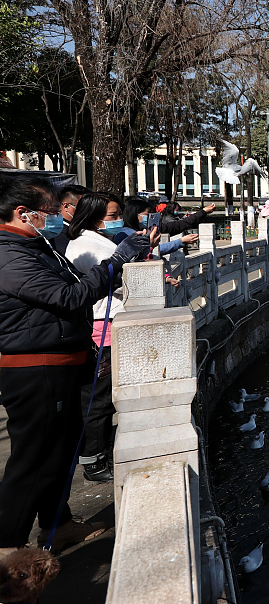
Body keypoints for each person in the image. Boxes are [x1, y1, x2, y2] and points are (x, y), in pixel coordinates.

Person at [0, 174, 149, 555]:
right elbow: (69, 297)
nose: (55, 219)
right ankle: (9, 554)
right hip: (36, 369)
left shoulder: (34, 245)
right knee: (33, 461)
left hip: (61, 360)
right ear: (22, 213)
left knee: (60, 453)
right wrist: (115, 262)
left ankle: (59, 524)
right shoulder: (9, 254)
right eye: (49, 211)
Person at [65, 193, 137, 482]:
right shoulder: (86, 245)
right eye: (112, 214)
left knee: (105, 398)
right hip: (100, 327)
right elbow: (109, 278)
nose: (118, 218)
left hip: (109, 323)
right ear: (95, 217)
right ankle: (93, 462)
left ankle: (101, 453)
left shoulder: (96, 240)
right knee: (97, 399)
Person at [51, 184, 88, 255]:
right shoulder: (57, 233)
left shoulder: (77, 229)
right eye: (83, 206)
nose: (86, 211)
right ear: (66, 206)